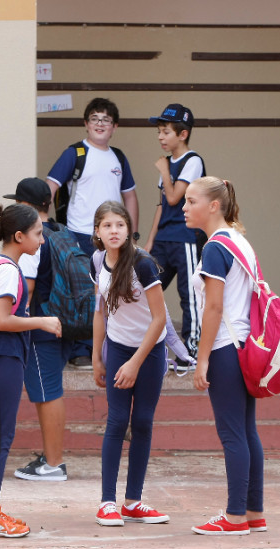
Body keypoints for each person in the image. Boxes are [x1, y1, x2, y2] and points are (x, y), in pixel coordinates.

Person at [0, 203, 61, 538]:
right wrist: (42, 321)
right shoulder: (8, 270)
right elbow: (2, 320)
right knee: (0, 435)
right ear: (19, 236)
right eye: (38, 234)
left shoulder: (0, 265)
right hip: (4, 357)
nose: (42, 240)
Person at [184, 177, 263, 535]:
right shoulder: (239, 241)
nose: (184, 207)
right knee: (246, 432)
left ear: (213, 205)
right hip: (244, 345)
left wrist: (201, 360)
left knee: (233, 434)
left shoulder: (215, 247)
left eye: (191, 201)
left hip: (225, 348)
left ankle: (234, 518)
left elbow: (213, 308)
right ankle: (253, 513)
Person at [91, 200, 171, 527]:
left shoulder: (143, 264)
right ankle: (107, 502)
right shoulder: (98, 260)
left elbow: (159, 318)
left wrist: (137, 363)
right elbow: (100, 311)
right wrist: (98, 356)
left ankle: (133, 501)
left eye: (119, 225)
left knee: (142, 422)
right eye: (107, 226)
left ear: (128, 229)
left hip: (149, 353)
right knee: (117, 420)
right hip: (119, 349)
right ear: (97, 231)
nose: (114, 231)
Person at [46, 97, 138, 369]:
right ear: (86, 124)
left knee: (111, 292)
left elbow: (130, 196)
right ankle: (80, 350)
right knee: (83, 293)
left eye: (106, 120)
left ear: (114, 127)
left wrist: (131, 233)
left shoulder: (118, 157)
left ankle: (109, 347)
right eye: (95, 119)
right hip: (80, 234)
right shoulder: (74, 154)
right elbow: (50, 185)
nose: (100, 124)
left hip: (113, 238)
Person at [10, 178, 73, 482]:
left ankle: (54, 463)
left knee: (48, 393)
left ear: (25, 206)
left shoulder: (35, 241)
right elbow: (3, 218)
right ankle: (50, 457)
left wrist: (16, 324)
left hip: (39, 326)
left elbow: (29, 288)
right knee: (48, 390)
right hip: (59, 322)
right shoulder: (59, 231)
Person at [143, 103, 205, 359]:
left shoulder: (193, 161)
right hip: (164, 240)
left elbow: (173, 197)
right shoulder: (167, 164)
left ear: (183, 134)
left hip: (186, 238)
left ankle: (192, 351)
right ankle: (148, 346)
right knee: (146, 289)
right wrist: (149, 243)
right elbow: (161, 206)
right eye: (159, 131)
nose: (160, 137)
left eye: (166, 131)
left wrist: (165, 171)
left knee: (189, 295)